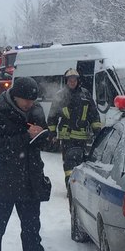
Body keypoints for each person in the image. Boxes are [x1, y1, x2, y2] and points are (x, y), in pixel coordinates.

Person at [0, 75, 61, 251]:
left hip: (30, 181)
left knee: (32, 233)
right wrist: (25, 136)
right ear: (15, 96)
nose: (30, 105)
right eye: (26, 100)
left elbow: (40, 140)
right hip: (4, 181)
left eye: (33, 101)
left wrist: (46, 138)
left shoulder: (36, 112)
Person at [48, 68, 101, 198]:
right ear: (66, 81)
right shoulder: (60, 95)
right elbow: (52, 116)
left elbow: (93, 115)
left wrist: (98, 132)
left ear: (78, 81)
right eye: (70, 80)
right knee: (69, 164)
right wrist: (52, 133)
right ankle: (70, 188)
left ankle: (80, 188)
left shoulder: (85, 95)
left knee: (82, 164)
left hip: (82, 137)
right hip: (67, 137)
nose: (72, 82)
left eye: (74, 80)